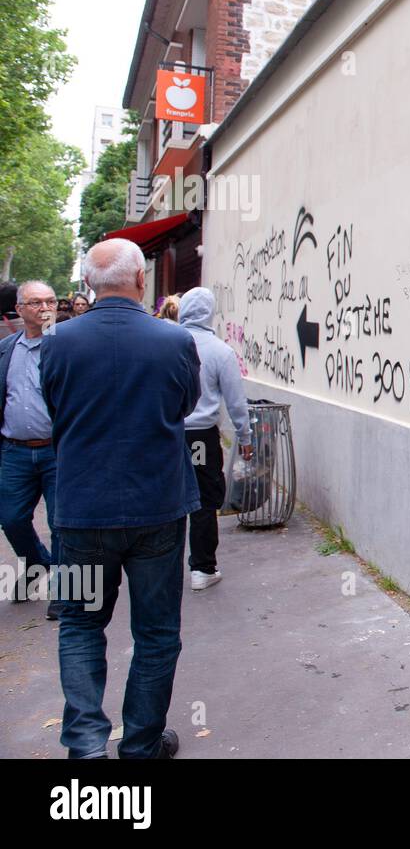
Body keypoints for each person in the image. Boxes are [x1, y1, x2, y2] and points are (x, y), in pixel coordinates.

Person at [41, 239, 201, 760]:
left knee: (81, 624)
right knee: (156, 633)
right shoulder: (174, 341)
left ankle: (86, 749)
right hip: (157, 507)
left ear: (88, 284)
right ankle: (140, 746)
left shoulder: (57, 341)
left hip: (79, 512)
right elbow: (187, 405)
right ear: (140, 281)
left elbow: (54, 405)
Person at [178, 287, 253, 591]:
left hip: (167, 433)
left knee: (168, 497)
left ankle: (161, 566)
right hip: (201, 436)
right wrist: (244, 435)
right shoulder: (220, 351)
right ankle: (202, 568)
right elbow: (235, 401)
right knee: (204, 499)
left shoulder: (165, 343)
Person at [0, 281, 61, 618]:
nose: (44, 307)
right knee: (10, 517)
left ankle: (66, 594)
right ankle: (37, 561)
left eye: (50, 301)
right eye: (36, 302)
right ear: (20, 309)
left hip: (57, 451)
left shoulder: (65, 346)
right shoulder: (7, 348)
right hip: (15, 451)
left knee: (61, 523)